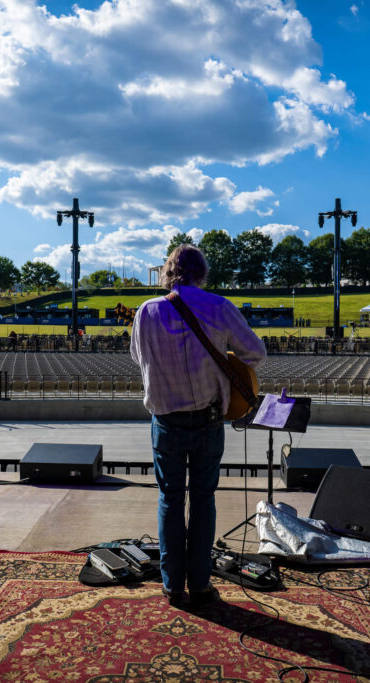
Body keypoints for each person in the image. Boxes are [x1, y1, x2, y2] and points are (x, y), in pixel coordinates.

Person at [130, 245, 266, 607]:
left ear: (167, 273)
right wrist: (222, 358)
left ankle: (173, 585)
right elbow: (257, 353)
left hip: (165, 422)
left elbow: (138, 357)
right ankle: (201, 584)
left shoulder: (146, 311)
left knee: (170, 501)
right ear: (202, 273)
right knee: (203, 499)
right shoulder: (219, 307)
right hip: (207, 421)